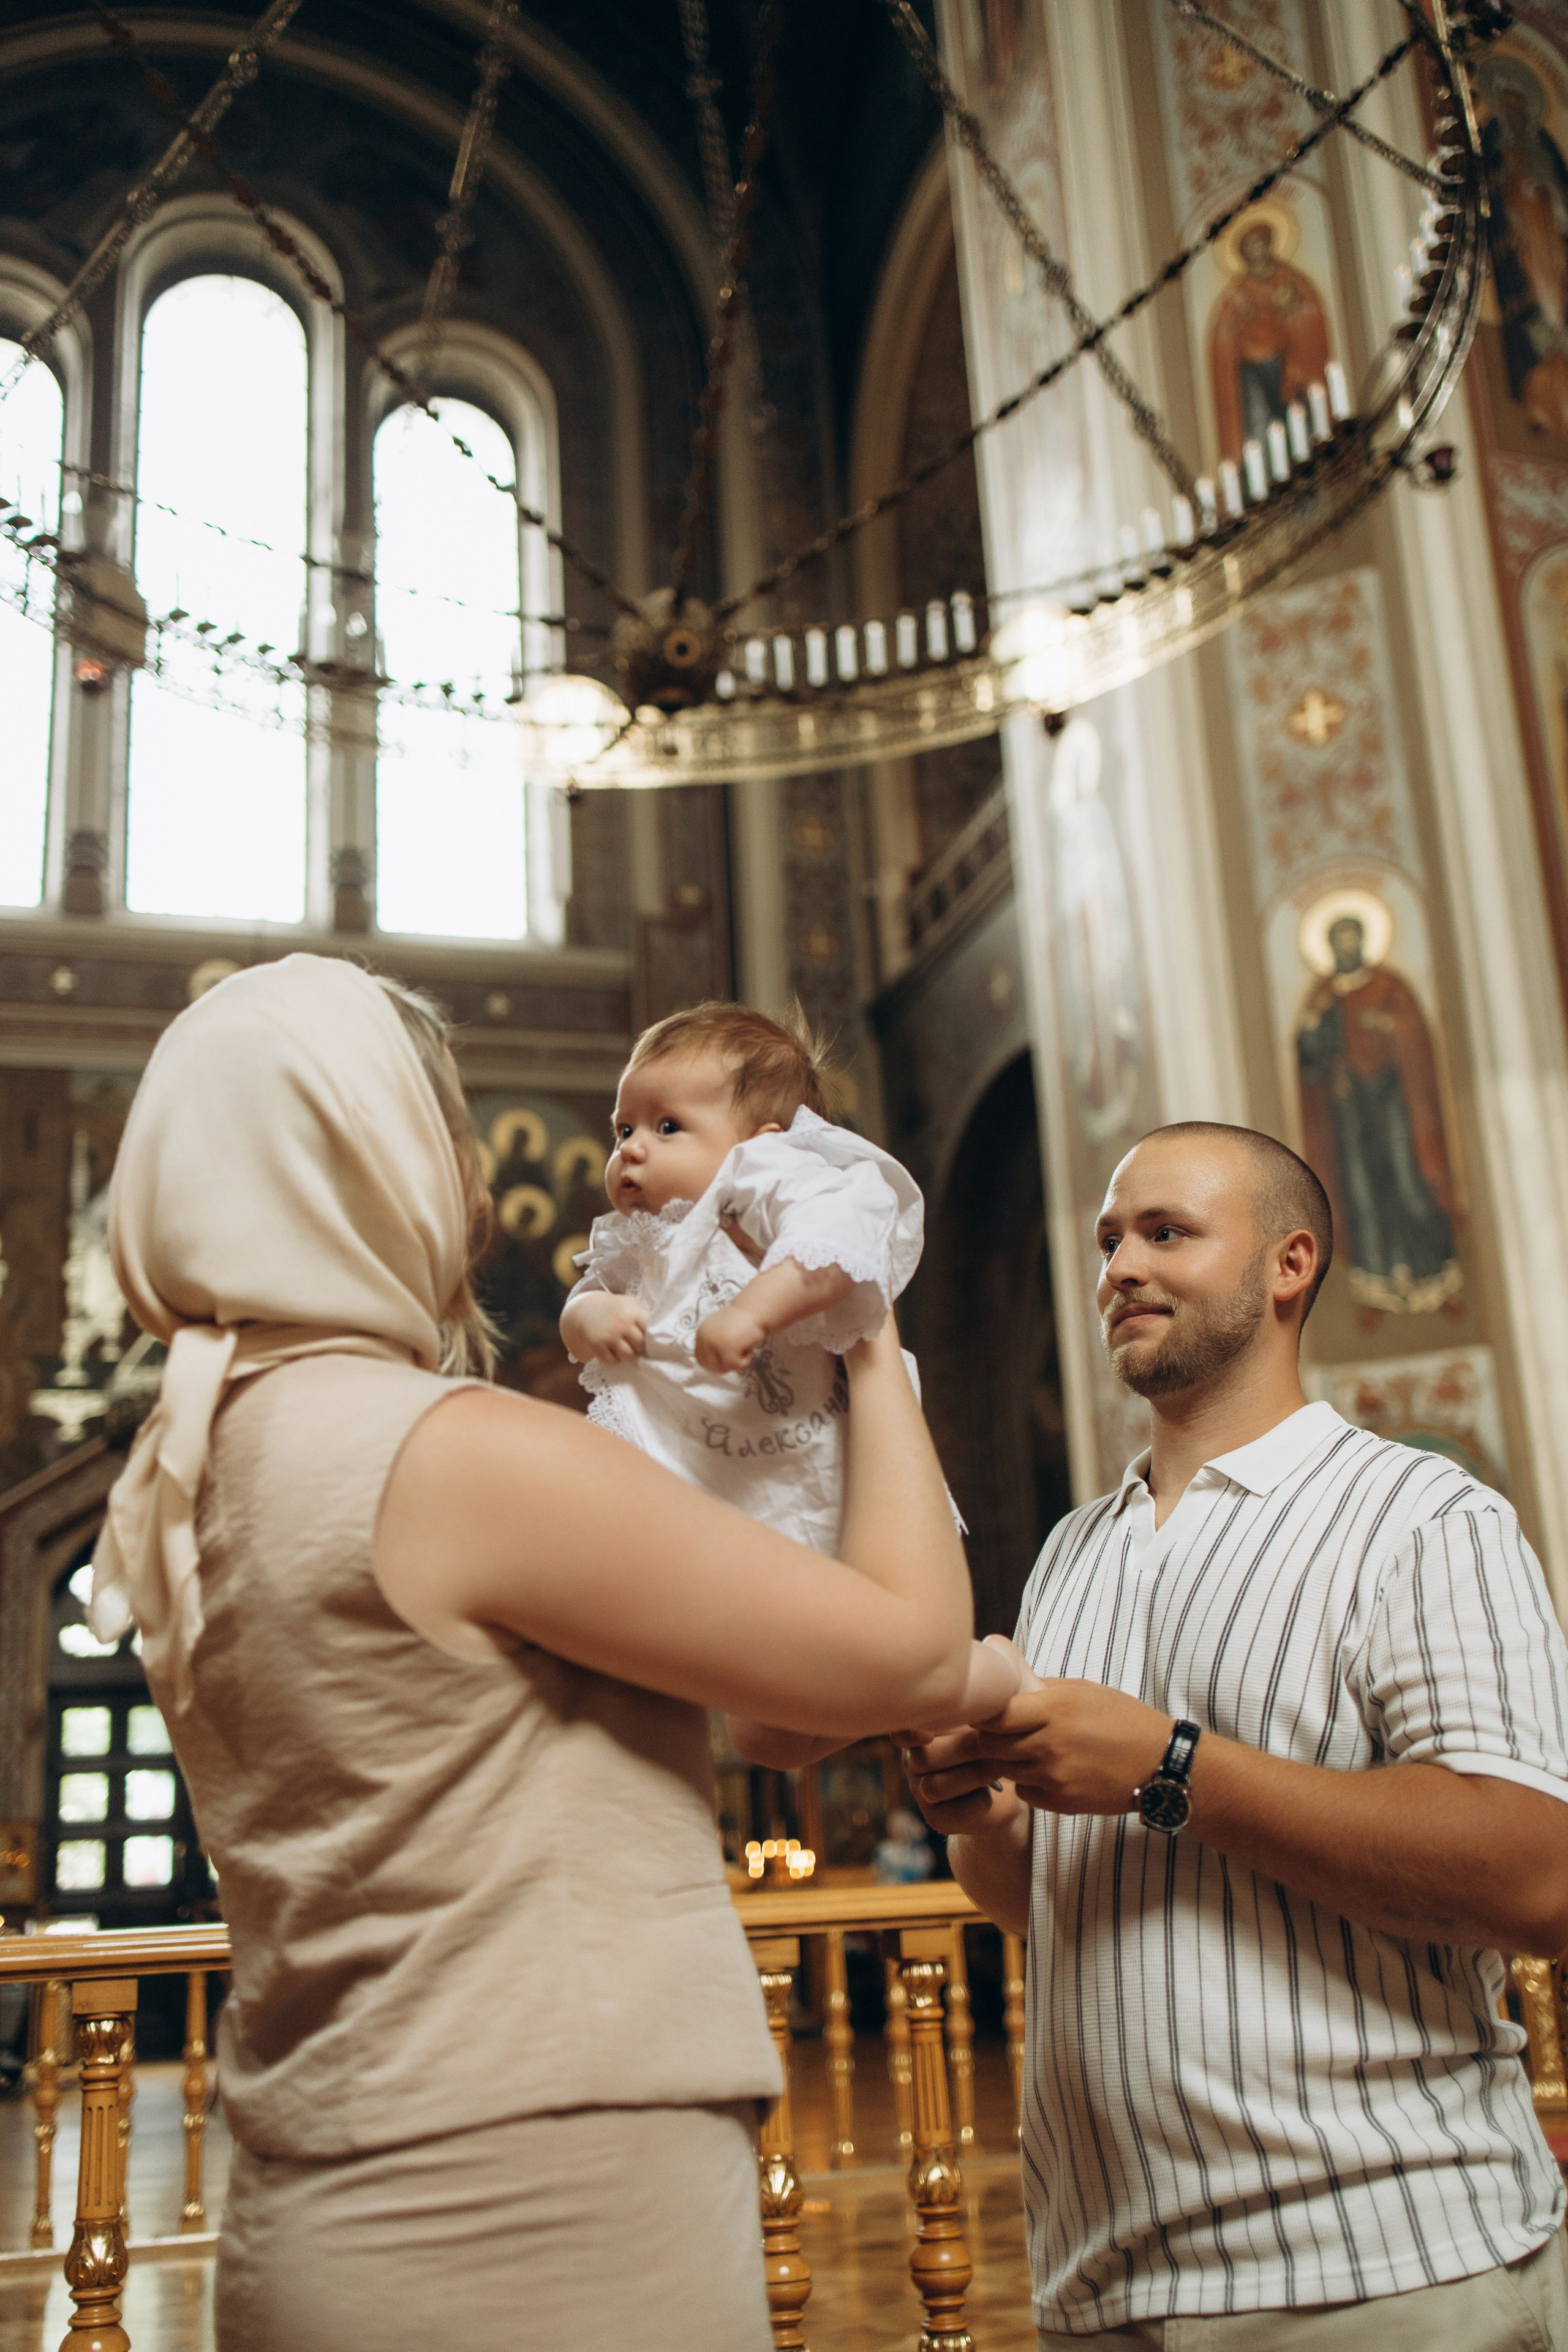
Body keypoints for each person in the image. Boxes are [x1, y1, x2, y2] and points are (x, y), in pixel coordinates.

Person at [86, 954, 1017, 2352]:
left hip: (330, 2178)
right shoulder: (449, 1450)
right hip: (536, 2207)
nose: (472, 1171)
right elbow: (909, 1648)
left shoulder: (201, 1456)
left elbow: (760, 1710)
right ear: (367, 1151)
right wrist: (859, 1326)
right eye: (441, 1122)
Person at [903, 1120, 1568, 2351]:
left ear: (1287, 1265)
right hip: (1102, 2274)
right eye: (1108, 1241)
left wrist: (1171, 1768)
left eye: (1165, 1233)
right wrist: (983, 1819)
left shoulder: (1417, 1518)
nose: (1118, 1269)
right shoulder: (1071, 1552)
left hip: (1376, 2267)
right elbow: (1037, 1902)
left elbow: (1534, 1873)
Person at [560, 1001, 923, 1558]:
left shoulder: (773, 1180)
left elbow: (834, 1250)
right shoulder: (637, 1240)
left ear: (763, 1143)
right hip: (686, 1475)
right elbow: (583, 1302)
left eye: (667, 1127)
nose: (631, 1148)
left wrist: (751, 1311)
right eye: (623, 1129)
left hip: (801, 1468)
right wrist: (590, 1317)